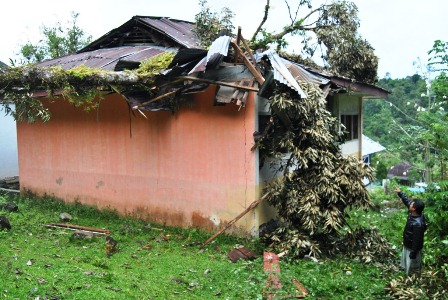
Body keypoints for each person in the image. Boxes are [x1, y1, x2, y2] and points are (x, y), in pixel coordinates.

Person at [394, 187, 427, 276]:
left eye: (412, 204)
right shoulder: (414, 213)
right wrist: (400, 193)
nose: (410, 204)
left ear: (414, 209)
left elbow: (417, 240)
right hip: (407, 244)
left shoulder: (418, 224)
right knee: (406, 263)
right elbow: (407, 201)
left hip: (413, 248)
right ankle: (407, 274)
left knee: (412, 265)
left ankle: (412, 279)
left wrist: (413, 252)